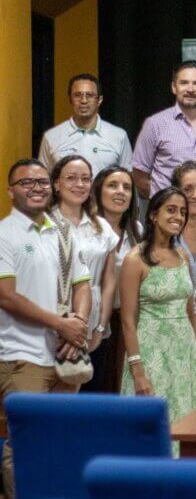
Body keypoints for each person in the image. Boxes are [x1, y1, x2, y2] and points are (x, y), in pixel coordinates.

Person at [0, 159, 91, 499]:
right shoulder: (4, 234)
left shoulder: (61, 230)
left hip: (64, 359)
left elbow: (83, 285)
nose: (36, 187)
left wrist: (77, 326)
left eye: (41, 181)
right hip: (22, 356)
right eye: (26, 183)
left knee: (59, 441)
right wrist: (60, 325)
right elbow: (6, 297)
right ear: (11, 191)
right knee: (24, 442)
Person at [119, 187, 196, 430]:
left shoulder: (182, 256)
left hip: (183, 354)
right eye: (171, 210)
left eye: (182, 212)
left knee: (186, 427)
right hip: (151, 353)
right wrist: (138, 372)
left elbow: (191, 314)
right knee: (151, 427)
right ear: (153, 215)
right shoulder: (134, 259)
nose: (178, 217)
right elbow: (127, 320)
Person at [48, 156, 119, 393]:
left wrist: (99, 328)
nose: (79, 184)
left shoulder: (101, 226)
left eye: (85, 179)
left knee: (88, 394)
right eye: (71, 178)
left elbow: (109, 282)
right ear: (56, 184)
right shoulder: (44, 223)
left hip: (93, 320)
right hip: (52, 320)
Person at [132, 60, 196, 217]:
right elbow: (139, 174)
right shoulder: (155, 124)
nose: (190, 89)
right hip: (166, 215)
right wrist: (164, 199)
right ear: (174, 87)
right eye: (184, 83)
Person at [88, 165, 142, 393]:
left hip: (128, 320)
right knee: (94, 386)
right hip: (94, 318)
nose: (121, 192)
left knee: (121, 388)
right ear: (98, 191)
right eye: (112, 185)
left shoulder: (137, 230)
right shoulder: (86, 229)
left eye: (127, 187)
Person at [38, 73, 133, 175]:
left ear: (99, 100)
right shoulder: (51, 137)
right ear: (70, 99)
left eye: (90, 95)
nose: (83, 101)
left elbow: (128, 179)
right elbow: (44, 181)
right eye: (78, 95)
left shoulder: (119, 136)